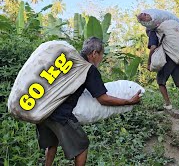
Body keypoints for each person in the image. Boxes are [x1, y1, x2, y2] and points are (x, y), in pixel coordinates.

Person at [36, 37, 141, 166]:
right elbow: (103, 99)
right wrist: (128, 101)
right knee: (82, 147)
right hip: (61, 115)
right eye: (101, 55)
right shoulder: (88, 69)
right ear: (94, 53)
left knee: (52, 143)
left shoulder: (68, 60)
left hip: (44, 109)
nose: (101, 59)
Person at [146, 29, 179, 118]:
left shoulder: (153, 32)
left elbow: (153, 47)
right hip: (178, 57)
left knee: (161, 82)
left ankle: (168, 104)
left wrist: (149, 62)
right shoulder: (170, 31)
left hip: (166, 59)